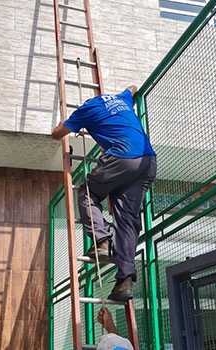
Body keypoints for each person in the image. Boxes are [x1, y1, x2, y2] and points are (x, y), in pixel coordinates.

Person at [52, 86, 157, 302]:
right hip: (148, 162)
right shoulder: (121, 99)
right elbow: (132, 88)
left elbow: (56, 134)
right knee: (127, 219)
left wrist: (75, 121)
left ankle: (101, 241)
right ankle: (124, 281)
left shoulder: (88, 108)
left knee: (87, 193)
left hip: (123, 157)